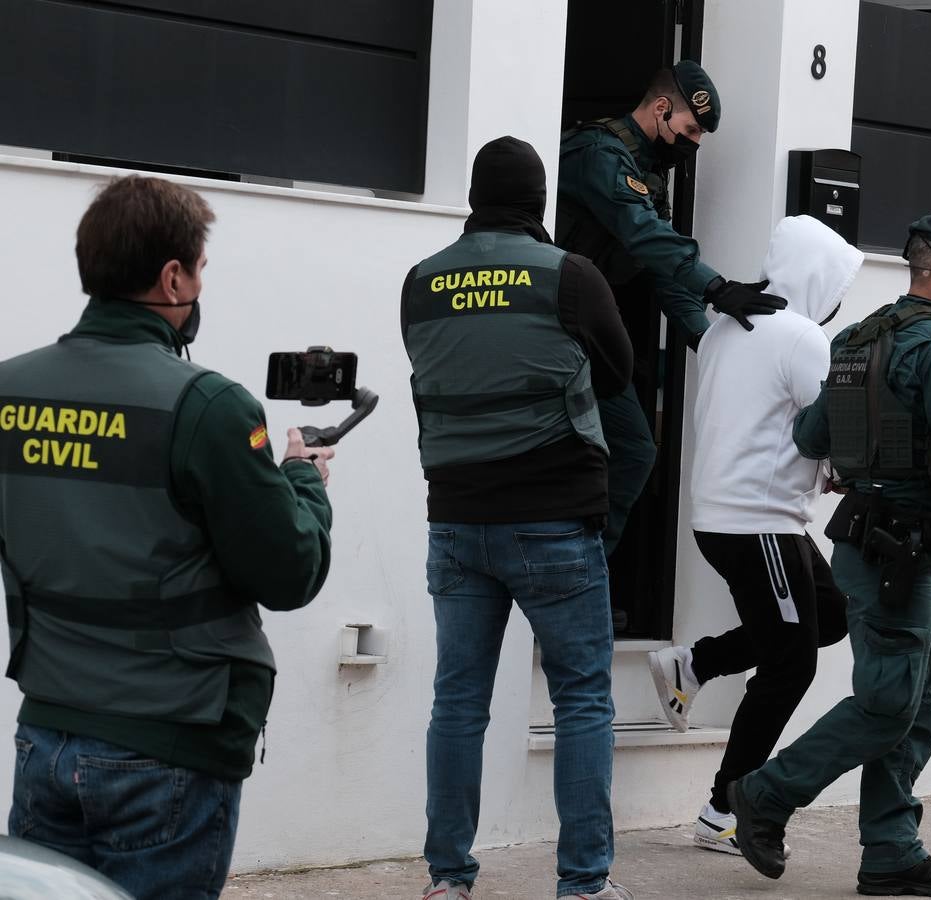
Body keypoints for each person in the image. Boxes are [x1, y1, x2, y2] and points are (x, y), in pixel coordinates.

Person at [0, 175, 334, 900]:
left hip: (47, 737)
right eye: (200, 268)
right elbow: (288, 573)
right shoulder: (207, 406)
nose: (199, 285)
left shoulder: (9, 392)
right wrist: (303, 481)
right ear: (173, 275)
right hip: (168, 747)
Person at [727, 214, 931, 897]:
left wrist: (865, 456)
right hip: (903, 547)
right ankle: (765, 795)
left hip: (867, 542)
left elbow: (808, 435)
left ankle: (890, 849)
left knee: (913, 706)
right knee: (890, 703)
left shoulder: (856, 341)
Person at [401, 136, 635, 900]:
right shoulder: (570, 275)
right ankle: (582, 883)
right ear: (540, 204)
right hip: (553, 518)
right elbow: (617, 371)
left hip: (457, 520)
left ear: (474, 198)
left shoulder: (421, 281)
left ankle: (447, 879)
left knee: (458, 700)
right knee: (581, 699)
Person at [646, 216, 859, 856]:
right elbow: (831, 428)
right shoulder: (800, 336)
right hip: (760, 520)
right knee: (791, 664)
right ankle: (723, 810)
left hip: (723, 518)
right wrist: (840, 471)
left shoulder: (725, 328)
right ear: (820, 278)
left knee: (828, 615)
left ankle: (697, 661)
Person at [557, 60, 785, 554]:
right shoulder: (599, 154)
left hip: (586, 334)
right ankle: (570, 566)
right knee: (588, 454)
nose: (693, 145)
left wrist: (710, 339)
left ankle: (585, 563)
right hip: (552, 327)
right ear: (661, 108)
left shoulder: (647, 171)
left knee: (634, 451)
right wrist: (717, 286)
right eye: (689, 130)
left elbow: (664, 268)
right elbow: (645, 234)